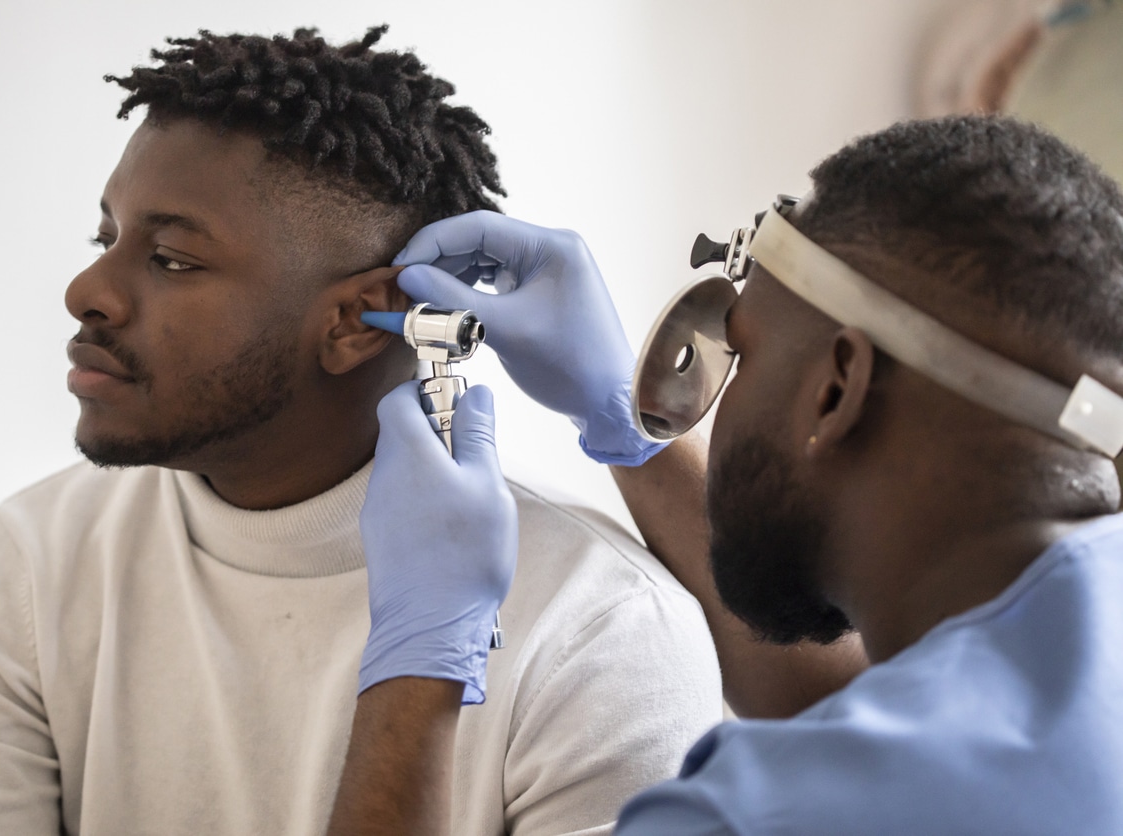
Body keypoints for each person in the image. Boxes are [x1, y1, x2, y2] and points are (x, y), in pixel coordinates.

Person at [0, 26, 736, 835]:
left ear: (352, 323)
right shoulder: (24, 572)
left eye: (172, 260)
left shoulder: (599, 633)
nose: (88, 287)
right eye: (105, 237)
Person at [335, 114, 1123, 834]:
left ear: (837, 386)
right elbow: (874, 719)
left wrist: (419, 658)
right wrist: (625, 432)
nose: (720, 404)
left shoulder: (759, 816)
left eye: (739, 348)